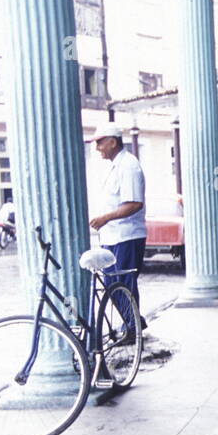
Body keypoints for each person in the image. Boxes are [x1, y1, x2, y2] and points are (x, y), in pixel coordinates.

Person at [87, 122, 146, 342]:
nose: (98, 148)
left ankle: (133, 329)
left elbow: (134, 204)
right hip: (112, 236)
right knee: (112, 284)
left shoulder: (129, 166)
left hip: (127, 236)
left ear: (113, 142)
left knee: (123, 284)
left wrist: (105, 218)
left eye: (100, 142)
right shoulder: (115, 166)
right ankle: (134, 322)